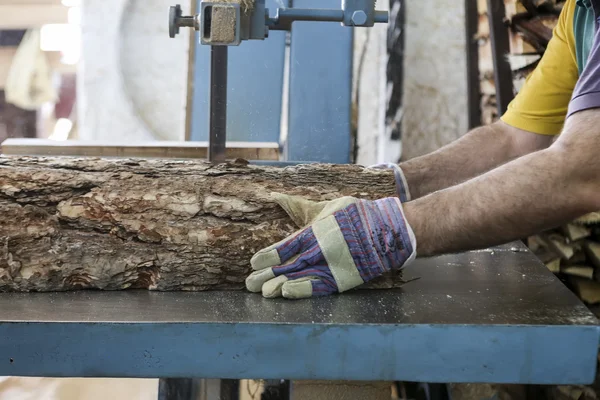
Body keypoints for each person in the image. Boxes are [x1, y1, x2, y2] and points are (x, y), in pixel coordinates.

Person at [246, 0, 600, 299]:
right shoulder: (579, 14)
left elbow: (583, 168)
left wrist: (392, 230)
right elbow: (513, 138)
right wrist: (395, 183)